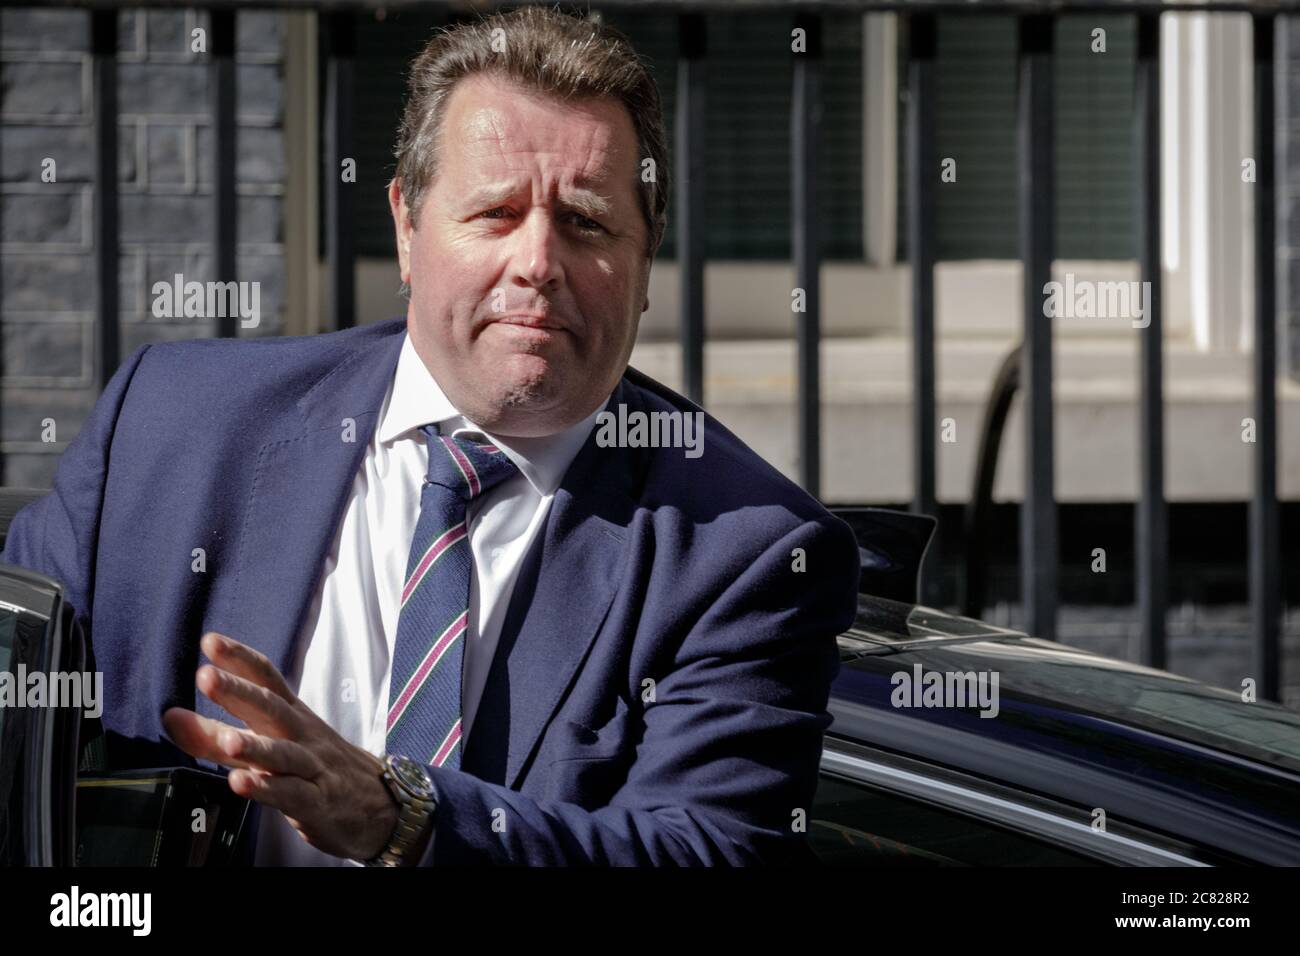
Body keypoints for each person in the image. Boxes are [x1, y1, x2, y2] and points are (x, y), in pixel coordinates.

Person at [1, 5, 859, 866]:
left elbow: (707, 851)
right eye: (494, 213)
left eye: (587, 223)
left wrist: (403, 819)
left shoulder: (744, 553)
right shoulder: (171, 427)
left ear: (646, 261)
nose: (537, 261)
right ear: (408, 228)